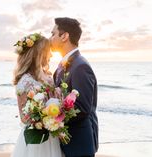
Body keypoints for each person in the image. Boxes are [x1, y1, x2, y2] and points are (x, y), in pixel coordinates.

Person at [50, 17, 99, 157]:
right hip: (67, 141)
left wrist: (52, 119)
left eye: (53, 34)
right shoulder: (62, 65)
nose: (50, 38)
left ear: (64, 36)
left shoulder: (80, 66)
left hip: (79, 144)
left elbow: (82, 108)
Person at [11, 33, 62, 157]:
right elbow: (24, 118)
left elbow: (55, 102)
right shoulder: (25, 81)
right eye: (48, 51)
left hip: (52, 137)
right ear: (39, 53)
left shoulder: (49, 77)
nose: (50, 55)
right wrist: (44, 118)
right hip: (35, 139)